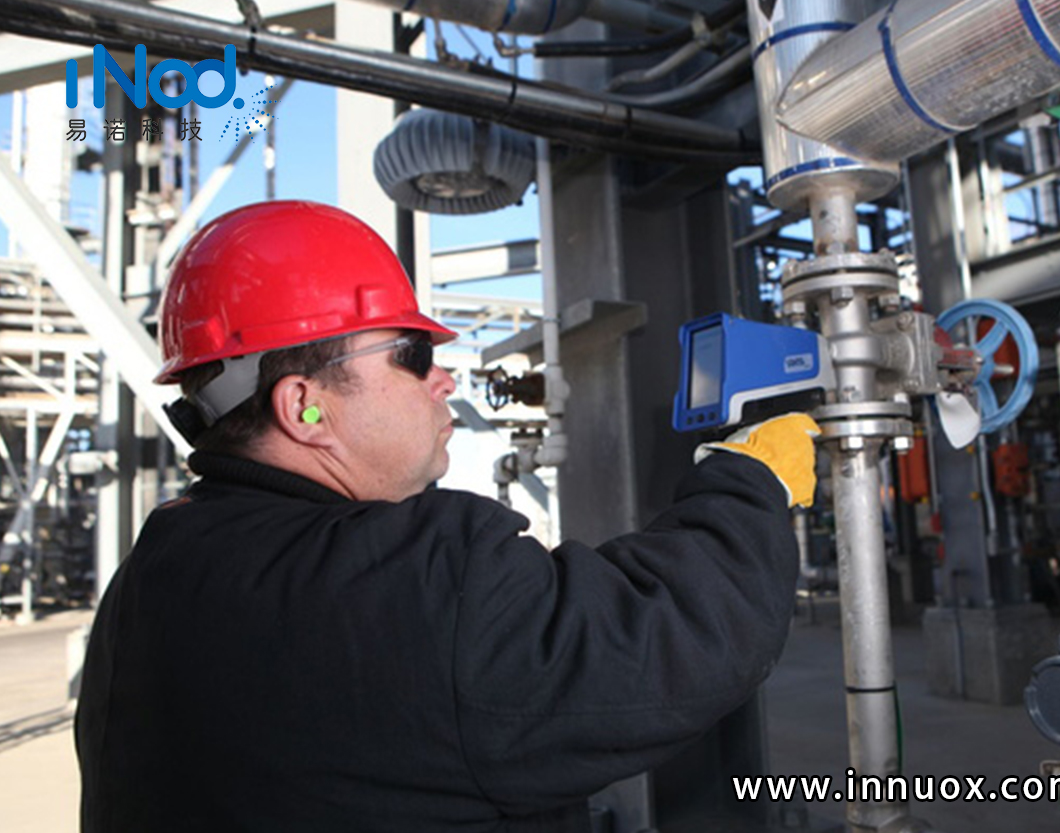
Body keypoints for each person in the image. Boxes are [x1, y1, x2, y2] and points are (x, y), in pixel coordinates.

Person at [75, 200, 819, 833]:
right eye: (411, 353)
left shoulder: (151, 575)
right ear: (304, 406)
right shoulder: (407, 577)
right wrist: (748, 481)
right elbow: (670, 637)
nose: (444, 379)